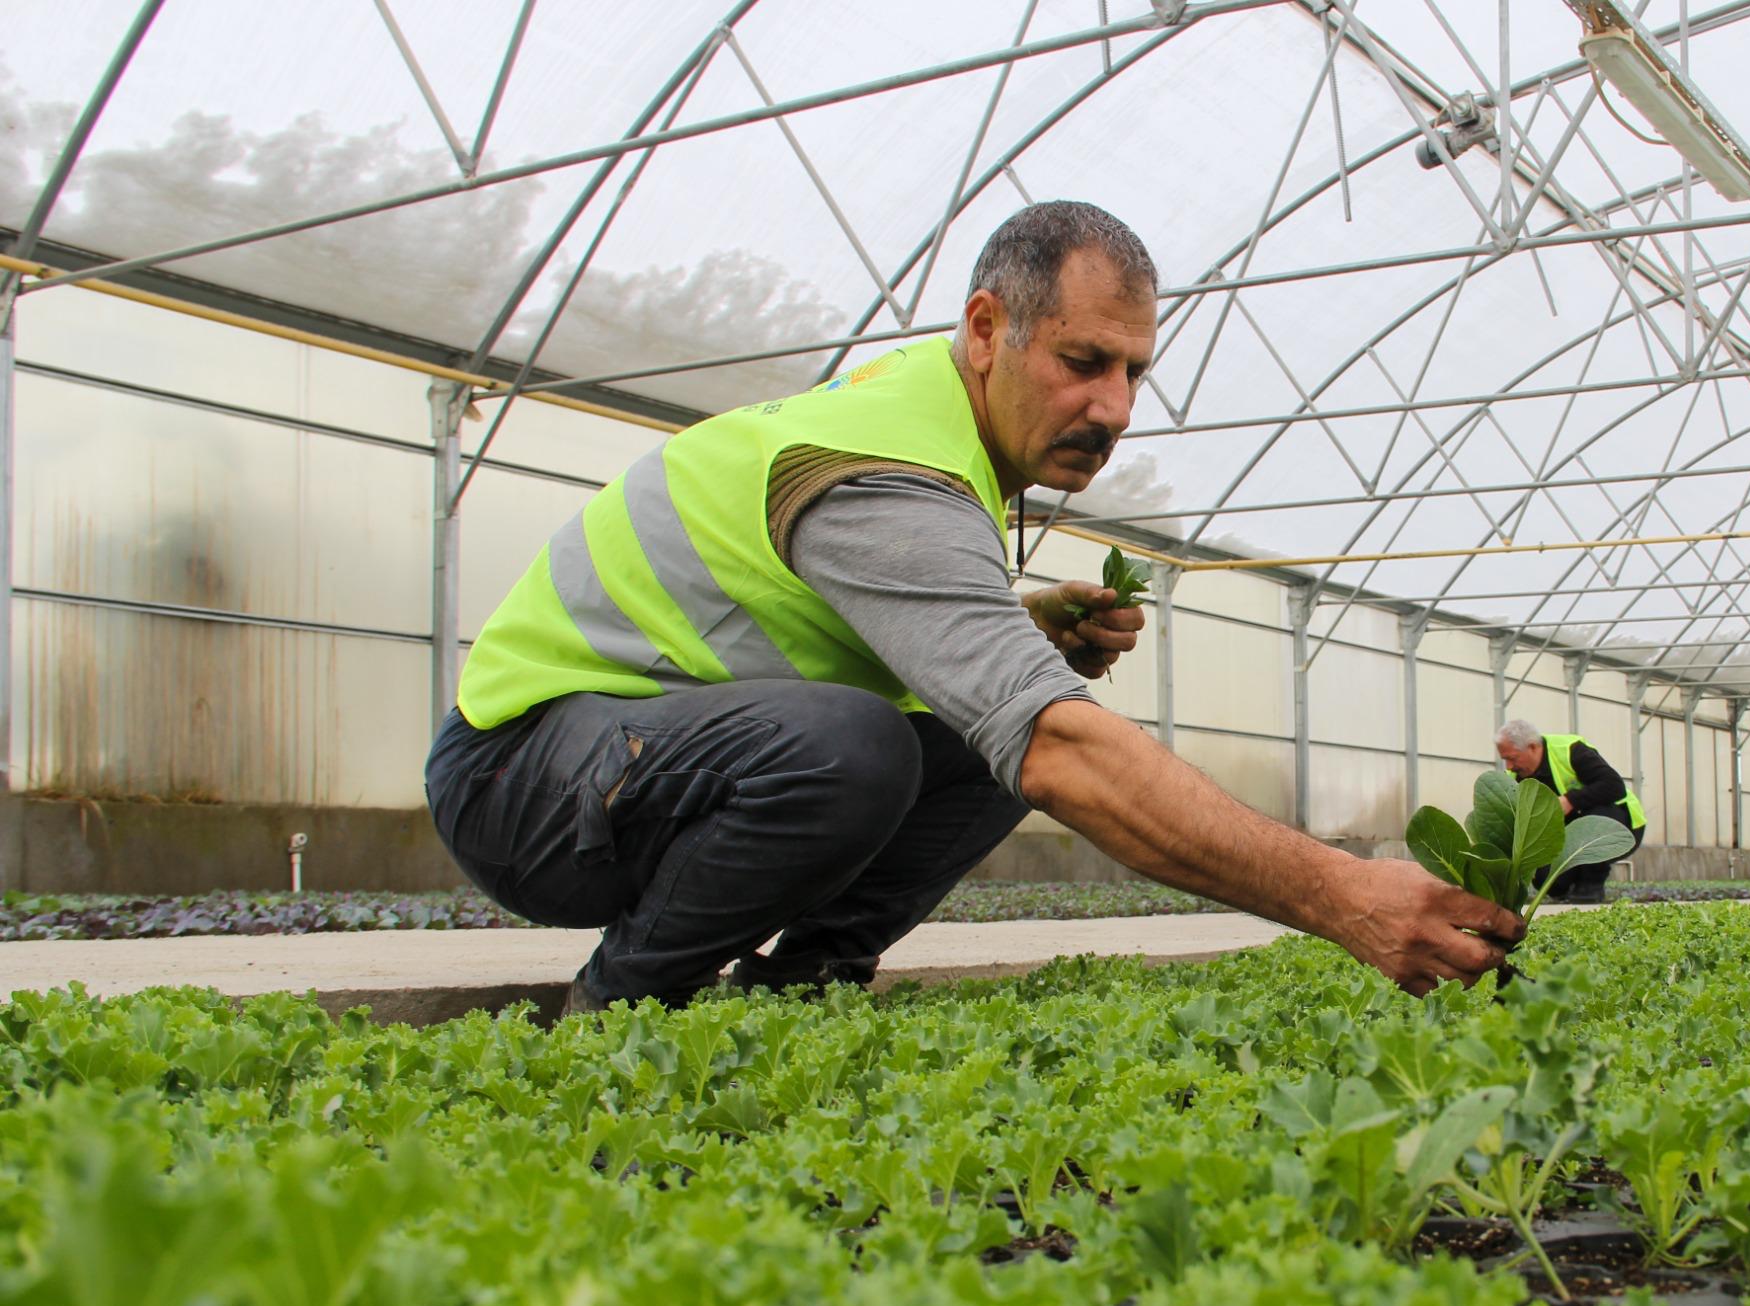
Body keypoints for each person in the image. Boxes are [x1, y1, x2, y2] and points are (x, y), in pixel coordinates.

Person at [424, 202, 1517, 1009]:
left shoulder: (938, 433)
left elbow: (797, 628)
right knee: (904, 743)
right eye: (1084, 361)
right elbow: (1054, 746)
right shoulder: (886, 469)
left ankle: (803, 989)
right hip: (522, 779)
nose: (1116, 406)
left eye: (1135, 371)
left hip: (631, 758)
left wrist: (1020, 627)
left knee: (969, 734)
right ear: (988, 330)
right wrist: (1342, 893)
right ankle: (618, 1010)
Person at [1492, 719, 1647, 902]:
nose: (1509, 766)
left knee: (1592, 824)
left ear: (1532, 747)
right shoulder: (1514, 778)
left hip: (1622, 824)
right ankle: (1569, 890)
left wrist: (1570, 800)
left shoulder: (1570, 750)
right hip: (1569, 833)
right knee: (1548, 881)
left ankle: (1590, 887)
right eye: (1505, 760)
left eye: (1512, 758)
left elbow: (1614, 786)